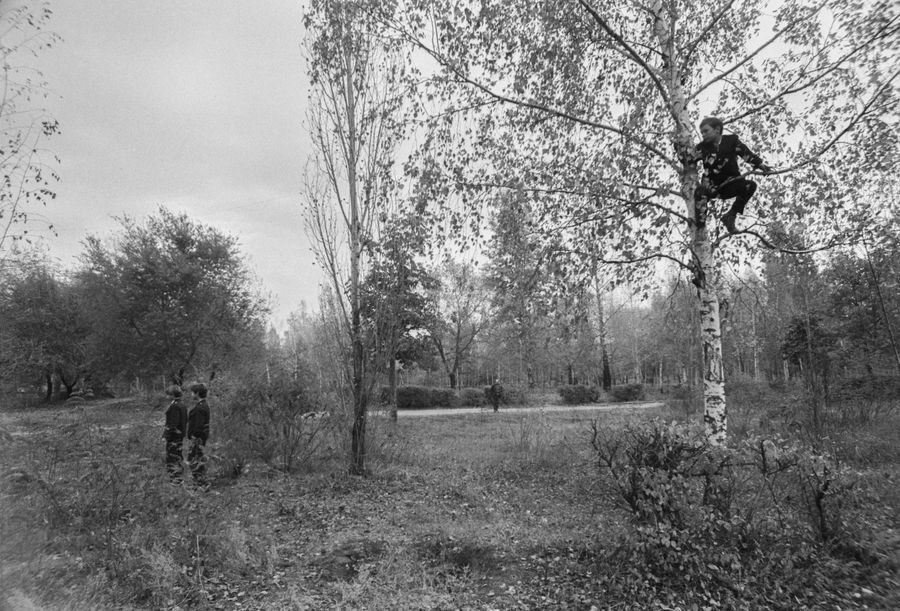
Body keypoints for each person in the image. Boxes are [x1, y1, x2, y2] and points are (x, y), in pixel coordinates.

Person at [694, 117, 772, 234]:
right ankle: (699, 226)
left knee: (750, 186)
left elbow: (747, 154)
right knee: (699, 192)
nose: (703, 135)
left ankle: (730, 216)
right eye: (702, 133)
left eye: (706, 131)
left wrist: (761, 166)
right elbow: (688, 159)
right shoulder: (702, 147)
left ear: (717, 129)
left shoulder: (731, 141)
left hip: (732, 183)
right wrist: (679, 146)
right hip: (712, 186)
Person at [162, 385, 188, 483]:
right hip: (180, 435)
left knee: (172, 457)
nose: (166, 397)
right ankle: (178, 477)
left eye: (168, 395)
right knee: (178, 455)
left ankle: (175, 479)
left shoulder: (175, 406)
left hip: (174, 437)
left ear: (172, 395)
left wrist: (166, 436)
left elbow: (172, 423)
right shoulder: (182, 404)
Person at [187, 382, 211, 487]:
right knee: (198, 458)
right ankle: (200, 481)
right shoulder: (204, 405)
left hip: (198, 438)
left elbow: (198, 425)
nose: (191, 394)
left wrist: (194, 436)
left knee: (194, 459)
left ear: (197, 393)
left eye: (192, 392)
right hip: (202, 437)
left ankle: (200, 483)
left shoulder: (200, 408)